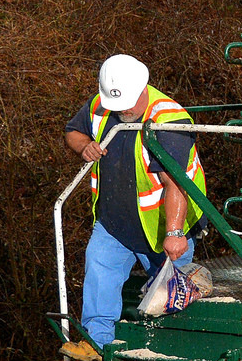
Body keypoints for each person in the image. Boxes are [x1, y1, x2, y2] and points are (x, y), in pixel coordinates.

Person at [64, 54, 208, 346]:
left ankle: (169, 351)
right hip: (115, 224)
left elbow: (175, 183)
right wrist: (85, 147)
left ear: (144, 88)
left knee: (169, 298)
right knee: (98, 269)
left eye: (127, 102)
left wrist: (175, 233)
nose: (122, 110)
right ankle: (97, 343)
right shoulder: (101, 105)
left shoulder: (168, 120)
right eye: (115, 104)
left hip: (162, 228)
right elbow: (73, 131)